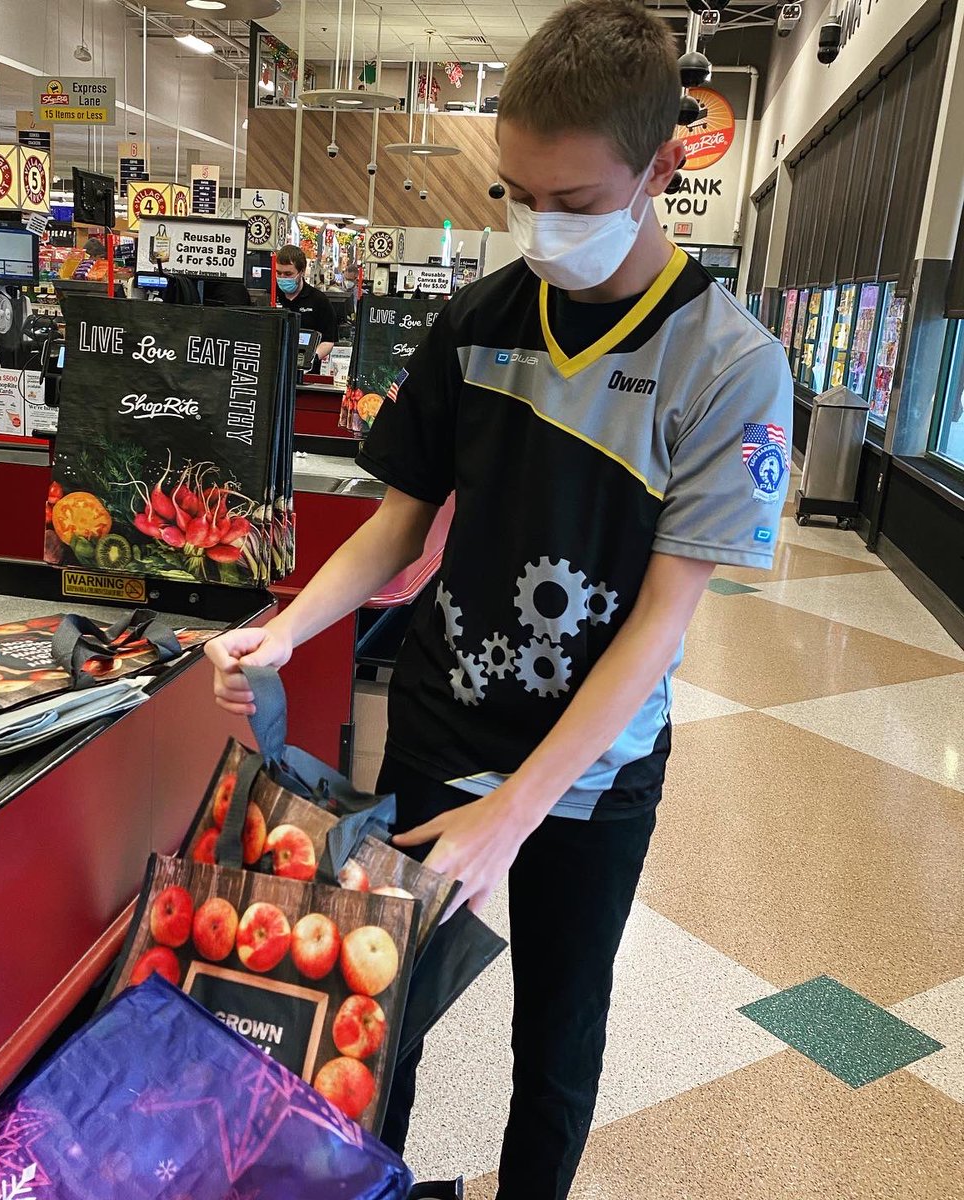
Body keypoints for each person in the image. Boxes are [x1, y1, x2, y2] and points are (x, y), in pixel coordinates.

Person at [206, 2, 793, 1195]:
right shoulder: (477, 321)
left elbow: (660, 626)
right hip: (438, 723)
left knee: (558, 1040)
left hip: (593, 772)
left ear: (663, 168)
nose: (541, 229)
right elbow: (398, 522)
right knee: (383, 1015)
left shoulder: (728, 365)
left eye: (572, 203)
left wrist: (517, 811)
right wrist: (281, 633)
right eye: (516, 195)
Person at [274, 244, 338, 365]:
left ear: (301, 272)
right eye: (279, 273)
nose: (282, 278)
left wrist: (309, 359)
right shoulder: (270, 296)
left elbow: (328, 340)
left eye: (288, 274)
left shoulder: (319, 300)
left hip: (307, 372)